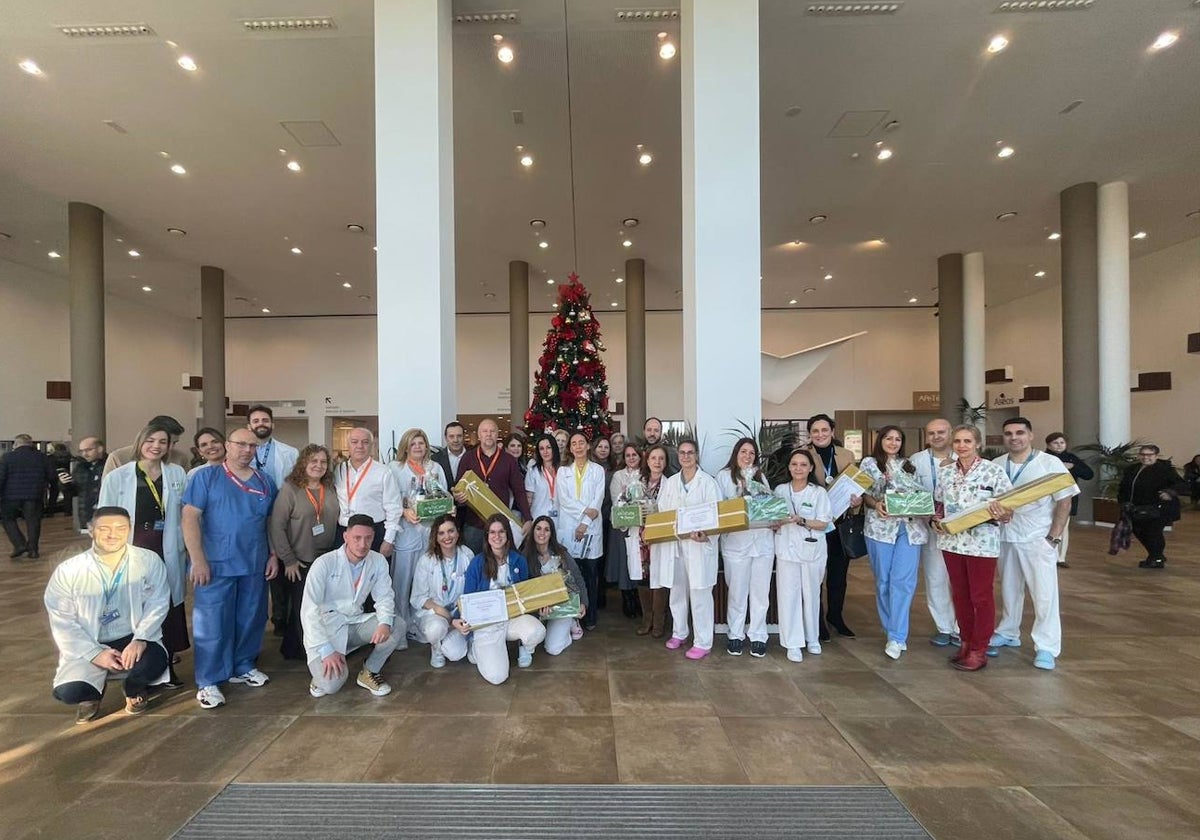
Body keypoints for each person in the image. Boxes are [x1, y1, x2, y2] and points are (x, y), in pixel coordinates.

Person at [182, 427, 280, 709]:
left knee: (252, 617)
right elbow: (189, 519)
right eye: (241, 445)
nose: (247, 450)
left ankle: (243, 665)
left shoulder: (264, 481)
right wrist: (198, 559)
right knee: (212, 623)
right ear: (228, 445)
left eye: (252, 446)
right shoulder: (206, 478)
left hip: (254, 561)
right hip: (215, 564)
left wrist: (272, 554)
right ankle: (209, 681)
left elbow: (269, 522)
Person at [44, 507, 171, 723]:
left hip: (132, 636)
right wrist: (95, 653)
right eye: (104, 528)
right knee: (69, 691)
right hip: (91, 641)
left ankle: (133, 689)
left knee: (155, 661)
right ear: (91, 530)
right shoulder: (69, 570)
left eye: (121, 528)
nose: (113, 534)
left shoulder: (147, 560)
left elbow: (158, 602)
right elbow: (62, 621)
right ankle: (91, 695)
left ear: (129, 529)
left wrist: (141, 638)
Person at [98, 423, 190, 687]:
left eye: (163, 442)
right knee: (135, 609)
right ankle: (138, 668)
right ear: (140, 442)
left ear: (169, 446)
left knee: (168, 607)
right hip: (133, 548)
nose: (156, 446)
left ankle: (167, 666)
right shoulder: (118, 477)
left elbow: (184, 513)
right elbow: (106, 516)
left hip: (167, 548)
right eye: (151, 441)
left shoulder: (176, 473)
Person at [989, 417, 1078, 671]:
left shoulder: (1050, 463)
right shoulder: (997, 464)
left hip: (1037, 538)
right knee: (1009, 589)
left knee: (1044, 595)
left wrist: (1054, 537)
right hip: (1005, 537)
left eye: (1019, 432)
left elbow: (1065, 501)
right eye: (1008, 433)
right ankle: (1008, 631)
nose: (1014, 437)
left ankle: (1047, 647)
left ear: (1030, 435)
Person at [932, 424, 1013, 672]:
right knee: (960, 594)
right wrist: (935, 520)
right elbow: (939, 504)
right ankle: (966, 642)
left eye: (967, 441)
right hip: (952, 542)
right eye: (957, 441)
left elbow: (1009, 510)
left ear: (977, 443)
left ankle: (980, 648)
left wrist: (1003, 513)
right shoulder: (946, 473)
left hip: (982, 544)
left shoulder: (993, 472)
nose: (962, 446)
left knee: (981, 596)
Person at [301, 514, 401, 697]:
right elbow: (308, 610)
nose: (362, 544)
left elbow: (385, 597)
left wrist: (384, 623)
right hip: (326, 629)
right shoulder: (324, 563)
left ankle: (370, 671)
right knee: (330, 686)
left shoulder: (377, 561)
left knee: (396, 625)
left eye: (368, 538)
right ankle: (321, 672)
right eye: (357, 538)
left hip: (354, 622)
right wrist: (326, 649)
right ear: (345, 536)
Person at [859, 426, 929, 660]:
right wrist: (875, 503)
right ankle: (891, 628)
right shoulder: (870, 464)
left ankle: (897, 636)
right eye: (889, 438)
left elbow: (920, 494)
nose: (893, 442)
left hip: (909, 529)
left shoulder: (909, 465)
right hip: (880, 528)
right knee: (884, 582)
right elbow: (864, 493)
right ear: (880, 440)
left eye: (898, 439)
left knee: (904, 582)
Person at [452, 513, 546, 684]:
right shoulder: (477, 563)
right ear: (487, 536)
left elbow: (525, 594)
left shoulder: (518, 561)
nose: (497, 536)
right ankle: (477, 646)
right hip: (487, 624)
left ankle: (522, 646)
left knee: (537, 631)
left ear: (507, 534)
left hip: (512, 618)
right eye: (492, 532)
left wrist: (540, 606)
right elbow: (467, 598)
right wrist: (458, 620)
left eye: (501, 532)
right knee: (497, 677)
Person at [269, 444, 339, 660]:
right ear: (303, 464)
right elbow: (276, 526)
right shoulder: (290, 489)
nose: (318, 466)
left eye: (323, 462)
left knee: (320, 607)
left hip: (326, 558)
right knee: (303, 608)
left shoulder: (331, 487)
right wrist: (288, 560)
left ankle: (300, 646)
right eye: (313, 461)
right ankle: (304, 651)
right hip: (300, 560)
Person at [658, 439, 720, 660]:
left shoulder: (708, 483)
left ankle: (703, 642)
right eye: (682, 453)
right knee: (677, 591)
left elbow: (716, 515)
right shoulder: (671, 482)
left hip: (698, 547)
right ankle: (679, 632)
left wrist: (706, 534)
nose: (686, 457)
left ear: (697, 456)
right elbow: (662, 511)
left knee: (700, 593)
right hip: (676, 545)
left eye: (690, 453)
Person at [801, 413, 861, 640]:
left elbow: (855, 487)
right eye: (815, 431)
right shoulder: (804, 454)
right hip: (816, 525)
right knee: (815, 575)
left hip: (840, 525)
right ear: (810, 434)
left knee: (838, 575)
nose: (820, 435)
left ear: (832, 431)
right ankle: (817, 622)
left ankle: (836, 616)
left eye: (824, 430)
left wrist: (856, 502)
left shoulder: (846, 455)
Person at [387, 428, 447, 644]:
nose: (418, 447)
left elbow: (443, 496)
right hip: (406, 532)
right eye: (413, 444)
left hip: (430, 532)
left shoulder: (435, 467)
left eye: (421, 443)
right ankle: (400, 629)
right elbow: (390, 500)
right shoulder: (395, 468)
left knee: (426, 582)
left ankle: (421, 625)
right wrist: (404, 511)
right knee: (402, 583)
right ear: (406, 447)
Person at [717, 437, 776, 658]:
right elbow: (721, 509)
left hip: (762, 542)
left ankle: (759, 635)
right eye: (743, 452)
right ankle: (735, 634)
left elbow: (770, 507)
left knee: (760, 593)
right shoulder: (724, 477)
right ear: (735, 454)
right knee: (737, 592)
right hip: (735, 544)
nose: (747, 456)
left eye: (752, 453)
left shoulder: (761, 477)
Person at [773, 449, 832, 662]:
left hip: (812, 550)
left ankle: (812, 638)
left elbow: (824, 522)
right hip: (786, 550)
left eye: (803, 465)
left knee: (811, 594)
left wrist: (802, 520)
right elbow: (773, 518)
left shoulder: (818, 493)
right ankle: (793, 643)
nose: (798, 468)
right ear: (789, 467)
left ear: (810, 468)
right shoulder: (780, 490)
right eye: (794, 464)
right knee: (789, 597)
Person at [452, 418, 532, 554]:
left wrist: (528, 518)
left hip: (500, 525)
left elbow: (519, 491)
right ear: (479, 435)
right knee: (473, 561)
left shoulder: (509, 460)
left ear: (497, 434)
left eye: (492, 431)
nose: (488, 434)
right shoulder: (468, 458)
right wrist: (457, 496)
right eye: (485, 431)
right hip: (474, 524)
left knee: (500, 563)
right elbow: (458, 486)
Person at [913, 418, 959, 646]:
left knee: (960, 581)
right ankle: (943, 626)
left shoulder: (965, 457)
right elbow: (909, 492)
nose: (936, 437)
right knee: (935, 578)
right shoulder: (917, 461)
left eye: (941, 432)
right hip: (930, 528)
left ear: (950, 433)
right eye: (931, 433)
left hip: (962, 530)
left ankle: (961, 628)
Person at [555, 432, 606, 631]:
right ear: (570, 448)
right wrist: (585, 512)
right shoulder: (563, 472)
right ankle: (573, 617)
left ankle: (591, 616)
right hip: (569, 528)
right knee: (571, 575)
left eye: (581, 443)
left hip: (591, 529)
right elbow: (565, 500)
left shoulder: (598, 470)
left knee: (591, 574)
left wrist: (585, 523)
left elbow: (598, 499)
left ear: (588, 446)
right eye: (573, 443)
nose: (577, 446)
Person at [410, 514, 473, 668]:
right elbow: (418, 598)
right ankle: (436, 647)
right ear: (435, 537)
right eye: (441, 533)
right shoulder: (427, 560)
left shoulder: (467, 554)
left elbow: (473, 591)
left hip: (460, 612)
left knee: (456, 654)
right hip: (436, 613)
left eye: (451, 531)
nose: (447, 537)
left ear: (458, 533)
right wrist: (445, 614)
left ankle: (455, 637)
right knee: (436, 629)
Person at [522, 516, 589, 655]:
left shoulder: (561, 553)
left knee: (553, 649)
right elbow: (524, 590)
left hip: (562, 606)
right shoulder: (525, 557)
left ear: (551, 533)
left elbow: (577, 577)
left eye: (547, 530)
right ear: (533, 531)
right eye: (538, 528)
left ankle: (571, 621)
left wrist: (582, 602)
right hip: (540, 608)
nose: (542, 533)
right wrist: (536, 609)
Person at [332, 427, 400, 557]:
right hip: (344, 533)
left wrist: (389, 540)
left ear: (372, 445)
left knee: (374, 576)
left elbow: (394, 508)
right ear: (348, 445)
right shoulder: (339, 470)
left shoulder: (383, 472)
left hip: (373, 535)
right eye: (354, 441)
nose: (359, 446)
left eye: (365, 442)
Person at [1117, 444, 1184, 570]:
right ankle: (1156, 554)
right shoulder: (1132, 469)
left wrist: (1169, 492)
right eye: (1142, 454)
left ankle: (1156, 558)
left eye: (1149, 455)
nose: (1145, 458)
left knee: (1153, 532)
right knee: (1138, 530)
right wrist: (1123, 501)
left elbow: (1181, 484)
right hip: (1138, 508)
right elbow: (1124, 487)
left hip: (1160, 508)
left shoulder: (1164, 469)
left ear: (1156, 456)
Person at [1, 433, 58, 560]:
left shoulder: (7, 457)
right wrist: (51, 501)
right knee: (33, 522)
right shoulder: (42, 457)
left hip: (10, 496)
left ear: (15, 444)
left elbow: (1, 477)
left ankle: (19, 544)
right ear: (31, 444)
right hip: (34, 495)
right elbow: (53, 478)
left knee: (7, 519)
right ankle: (33, 550)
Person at [1043, 432, 1095, 568]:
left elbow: (1089, 474)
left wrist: (1073, 467)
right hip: (1046, 497)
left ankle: (1060, 558)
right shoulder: (1043, 458)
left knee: (1063, 527)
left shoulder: (1072, 458)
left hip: (1067, 498)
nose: (1059, 445)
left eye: (1062, 443)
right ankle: (1048, 554)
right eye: (1055, 443)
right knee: (1046, 525)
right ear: (1048, 444)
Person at [635, 445, 671, 636]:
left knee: (659, 578)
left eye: (661, 458)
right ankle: (646, 618)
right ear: (647, 461)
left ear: (665, 462)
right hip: (639, 539)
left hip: (659, 537)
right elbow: (624, 507)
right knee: (643, 577)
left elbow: (670, 511)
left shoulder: (670, 484)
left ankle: (659, 621)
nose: (657, 462)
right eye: (653, 458)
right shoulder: (637, 483)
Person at [607, 443, 644, 620]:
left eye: (634, 455)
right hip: (623, 525)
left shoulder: (645, 474)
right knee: (624, 563)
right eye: (628, 455)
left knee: (638, 561)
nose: (631, 458)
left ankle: (639, 597)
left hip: (640, 526)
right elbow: (616, 499)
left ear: (640, 456)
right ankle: (627, 598)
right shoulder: (618, 476)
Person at [103, 415, 191, 477]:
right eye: (164, 442)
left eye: (174, 443)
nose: (170, 447)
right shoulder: (118, 458)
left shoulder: (180, 458)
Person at [72, 436, 106, 533]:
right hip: (85, 514)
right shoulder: (80, 467)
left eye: (88, 450)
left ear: (100, 449)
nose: (84, 454)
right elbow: (75, 491)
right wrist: (65, 485)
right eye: (81, 451)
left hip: (104, 513)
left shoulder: (109, 465)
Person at [524, 433, 562, 521]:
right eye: (541, 448)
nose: (545, 452)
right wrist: (527, 519)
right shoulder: (533, 471)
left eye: (548, 447)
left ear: (554, 448)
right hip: (538, 517)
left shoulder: (563, 470)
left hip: (560, 519)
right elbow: (528, 499)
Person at [432, 421, 468, 486]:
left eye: (459, 436)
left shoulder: (474, 457)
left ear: (464, 437)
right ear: (446, 438)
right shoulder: (435, 459)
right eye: (451, 436)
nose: (455, 440)